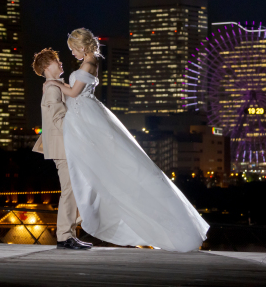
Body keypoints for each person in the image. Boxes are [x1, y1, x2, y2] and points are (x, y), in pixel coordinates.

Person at [43, 28, 210, 251]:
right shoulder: (92, 61)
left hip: (84, 118)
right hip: (85, 116)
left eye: (73, 49)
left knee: (98, 170)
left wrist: (55, 83)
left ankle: (70, 232)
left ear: (82, 47)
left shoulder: (88, 63)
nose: (72, 53)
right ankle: (70, 230)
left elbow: (73, 93)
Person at [31, 48, 92, 250]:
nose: (61, 64)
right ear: (48, 66)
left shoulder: (53, 87)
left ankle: (69, 234)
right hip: (63, 147)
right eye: (57, 62)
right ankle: (65, 236)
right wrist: (78, 131)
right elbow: (58, 118)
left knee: (74, 189)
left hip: (64, 146)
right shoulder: (51, 89)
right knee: (70, 190)